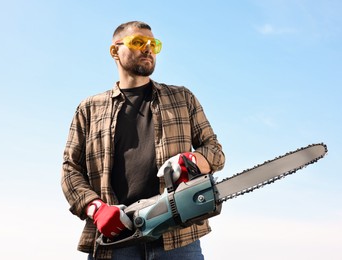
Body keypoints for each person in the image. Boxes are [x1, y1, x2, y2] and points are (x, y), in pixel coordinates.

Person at [61, 21, 225, 260]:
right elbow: (70, 170)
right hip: (116, 240)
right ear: (115, 51)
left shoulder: (182, 98)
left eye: (153, 44)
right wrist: (95, 208)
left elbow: (215, 151)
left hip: (178, 237)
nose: (148, 48)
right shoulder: (89, 109)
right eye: (138, 42)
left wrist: (193, 159)